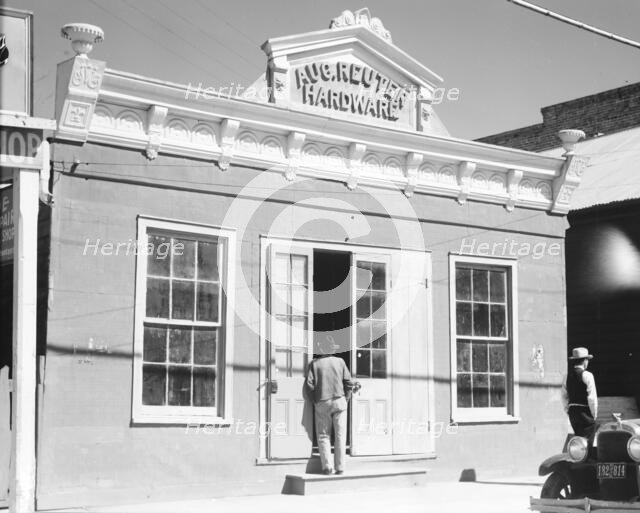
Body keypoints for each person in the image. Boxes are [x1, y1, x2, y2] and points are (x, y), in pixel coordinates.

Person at [305, 335, 353, 475]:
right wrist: (346, 398)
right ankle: (340, 467)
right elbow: (348, 383)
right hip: (339, 401)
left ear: (321, 349)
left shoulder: (315, 364)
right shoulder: (340, 362)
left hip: (322, 401)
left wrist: (315, 400)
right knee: (340, 435)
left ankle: (327, 467)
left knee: (323, 435)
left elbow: (309, 385)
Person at [561, 347, 598, 440]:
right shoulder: (587, 375)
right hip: (585, 413)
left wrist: (568, 411)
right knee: (588, 441)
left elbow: (564, 396)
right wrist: (594, 415)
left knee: (579, 439)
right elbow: (592, 398)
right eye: (587, 360)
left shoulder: (566, 376)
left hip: (573, 413)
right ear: (585, 360)